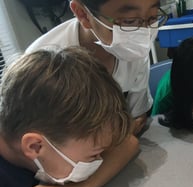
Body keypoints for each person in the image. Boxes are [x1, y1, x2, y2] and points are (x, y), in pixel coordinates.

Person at [0, 47, 137, 187]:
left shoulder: (36, 135)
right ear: (35, 146)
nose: (100, 160)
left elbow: (127, 143)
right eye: (93, 156)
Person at [26, 0, 168, 135]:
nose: (144, 34)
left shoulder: (135, 49)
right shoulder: (43, 67)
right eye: (129, 21)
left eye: (153, 17)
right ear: (83, 14)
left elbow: (138, 120)